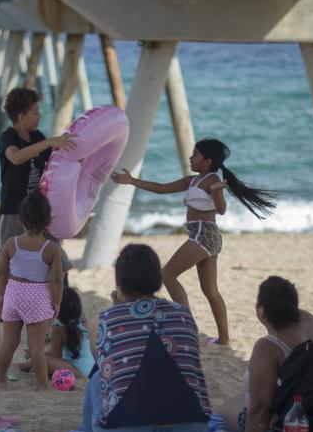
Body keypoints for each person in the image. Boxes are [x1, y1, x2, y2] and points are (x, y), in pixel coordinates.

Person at [110, 138, 276, 345]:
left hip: (203, 235)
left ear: (207, 161)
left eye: (195, 155)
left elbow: (221, 209)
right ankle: (224, 339)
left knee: (167, 274)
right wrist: (132, 180)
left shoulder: (212, 181)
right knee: (210, 291)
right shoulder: (193, 180)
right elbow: (161, 188)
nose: (191, 157)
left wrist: (216, 193)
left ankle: (187, 327)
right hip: (205, 236)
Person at [79, 244, 211, 432]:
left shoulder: (105, 319)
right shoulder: (184, 315)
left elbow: (103, 365)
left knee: (96, 379)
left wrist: (119, 309)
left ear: (119, 282)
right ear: (157, 279)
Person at [216, 276, 313, 432]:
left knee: (226, 407)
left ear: (261, 312)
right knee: (240, 399)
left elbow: (260, 411)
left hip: (291, 431)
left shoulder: (269, 347)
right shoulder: (311, 321)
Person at [0, 87, 75, 341]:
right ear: (21, 117)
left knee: (60, 264)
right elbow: (15, 159)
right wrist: (49, 142)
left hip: (39, 214)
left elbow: (57, 165)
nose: (39, 116)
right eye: (35, 112)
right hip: (12, 214)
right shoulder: (8, 137)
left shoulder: (37, 135)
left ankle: (57, 319)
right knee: (7, 271)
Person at [0, 191, 63, 390]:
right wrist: (57, 302)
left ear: (19, 219)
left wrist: (1, 295)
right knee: (37, 348)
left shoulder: (10, 244)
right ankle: (42, 385)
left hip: (13, 293)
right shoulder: (50, 248)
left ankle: (0, 380)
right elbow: (57, 280)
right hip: (37, 297)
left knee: (9, 343)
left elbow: (1, 274)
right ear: (48, 221)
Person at [19, 286, 95, 381]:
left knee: (41, 357)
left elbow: (56, 358)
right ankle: (21, 366)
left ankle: (20, 367)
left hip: (77, 371)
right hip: (89, 368)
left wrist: (35, 353)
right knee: (43, 354)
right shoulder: (81, 321)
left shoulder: (58, 329)